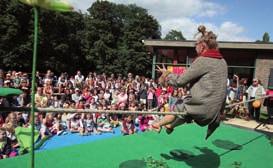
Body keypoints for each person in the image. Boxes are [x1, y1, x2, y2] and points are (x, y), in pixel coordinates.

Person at [152, 25, 228, 139]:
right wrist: (221, 110)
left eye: (195, 44)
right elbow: (223, 89)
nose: (194, 47)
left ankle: (158, 124)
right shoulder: (223, 62)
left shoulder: (203, 60)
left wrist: (166, 74)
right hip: (214, 112)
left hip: (203, 109)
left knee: (180, 107)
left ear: (202, 46)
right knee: (187, 114)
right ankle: (171, 126)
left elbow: (180, 81)